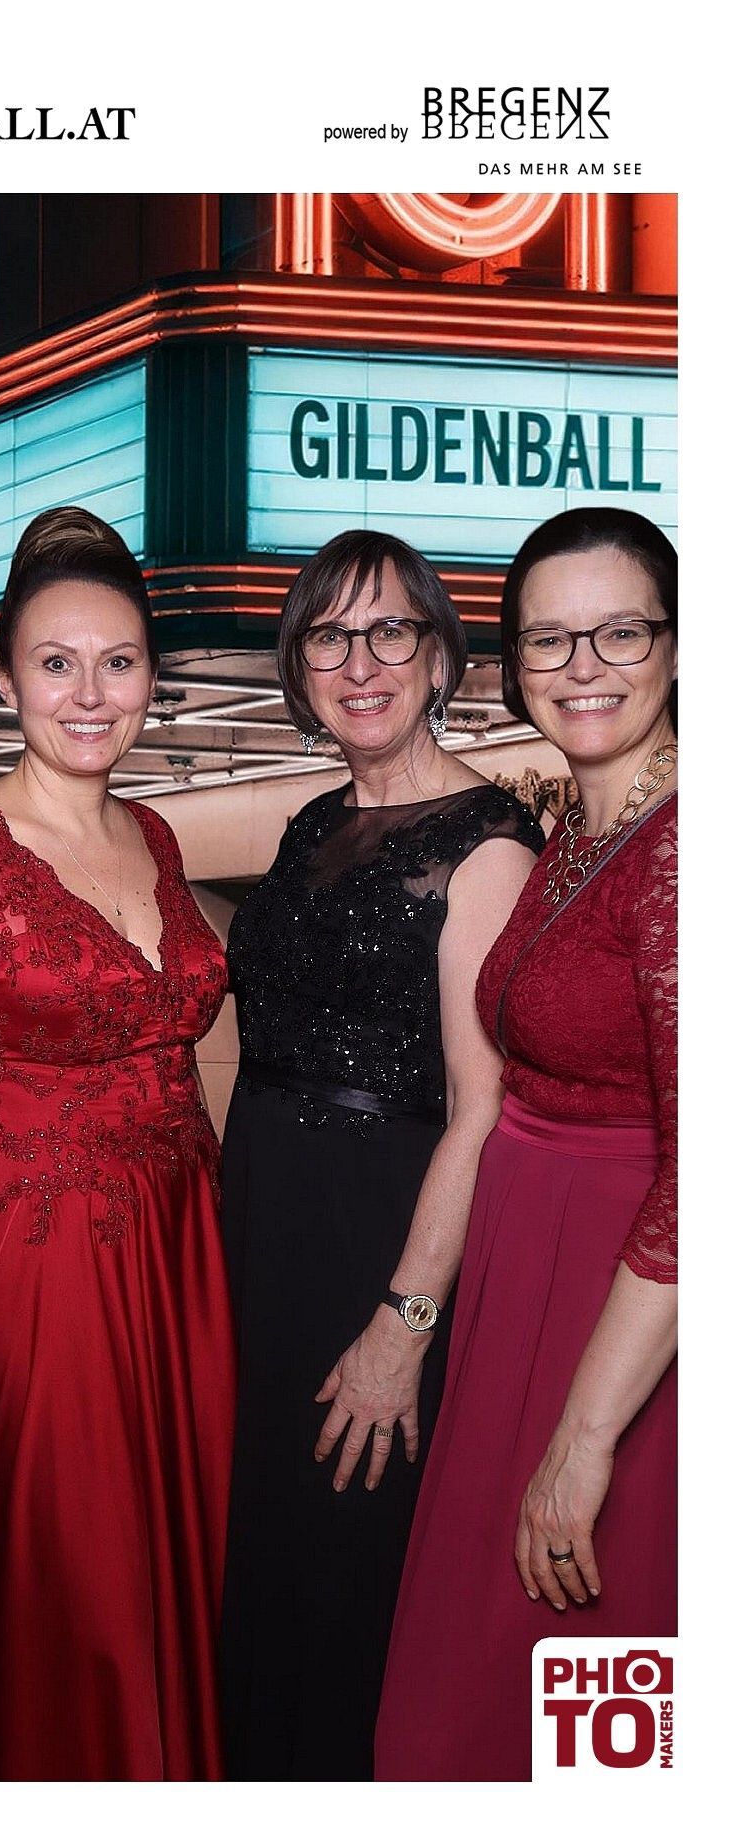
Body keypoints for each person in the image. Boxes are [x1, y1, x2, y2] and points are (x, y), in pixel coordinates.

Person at [0, 506, 235, 1780]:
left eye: (118, 661)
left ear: (151, 674)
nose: (90, 693)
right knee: (77, 1597)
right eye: (55, 662)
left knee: (177, 1570)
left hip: (175, 1260)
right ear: (2, 678)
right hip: (30, 1278)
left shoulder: (154, 832)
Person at [219, 530, 546, 1780]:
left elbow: (481, 1108)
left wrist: (404, 1324)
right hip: (263, 1235)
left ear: (440, 655)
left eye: (389, 631)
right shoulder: (312, 822)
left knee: (345, 1563)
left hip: (376, 1245)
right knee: (266, 1554)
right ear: (299, 666)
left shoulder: (489, 842)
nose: (359, 664)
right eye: (328, 636)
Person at [376, 507, 677, 1781]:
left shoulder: (682, 849)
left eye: (620, 632)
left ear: (679, 646)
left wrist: (588, 1433)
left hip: (624, 1322)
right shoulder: (579, 832)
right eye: (548, 639)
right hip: (527, 1286)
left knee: (561, 1693)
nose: (582, 665)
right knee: (481, 1688)